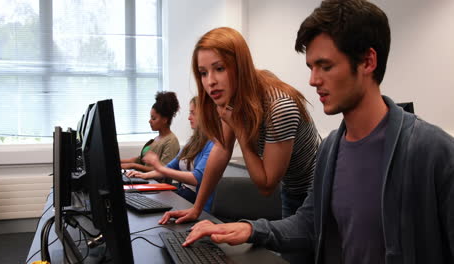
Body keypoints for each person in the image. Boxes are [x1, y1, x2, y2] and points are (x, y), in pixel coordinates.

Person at [179, 0, 454, 263]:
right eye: (311, 67)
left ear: (368, 62)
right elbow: (309, 223)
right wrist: (250, 229)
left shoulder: (433, 152)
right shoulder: (331, 149)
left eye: (326, 66)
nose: (312, 80)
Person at [160, 27, 320, 222]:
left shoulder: (279, 107)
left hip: (317, 192)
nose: (210, 81)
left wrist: (240, 130)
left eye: (219, 69)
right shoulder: (236, 94)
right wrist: (197, 209)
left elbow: (267, 185)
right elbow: (222, 148)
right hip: (292, 189)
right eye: (203, 73)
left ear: (240, 66)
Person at [126, 96, 215, 212]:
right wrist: (144, 175)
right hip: (183, 194)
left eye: (193, 113)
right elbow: (170, 167)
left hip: (196, 204)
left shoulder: (213, 145)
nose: (189, 118)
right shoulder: (192, 141)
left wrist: (158, 167)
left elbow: (196, 178)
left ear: (205, 115)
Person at [121, 91, 180, 178]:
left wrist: (133, 166)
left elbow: (164, 170)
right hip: (145, 179)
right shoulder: (156, 139)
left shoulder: (171, 141)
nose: (150, 121)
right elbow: (139, 160)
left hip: (158, 184)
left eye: (154, 118)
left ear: (164, 120)